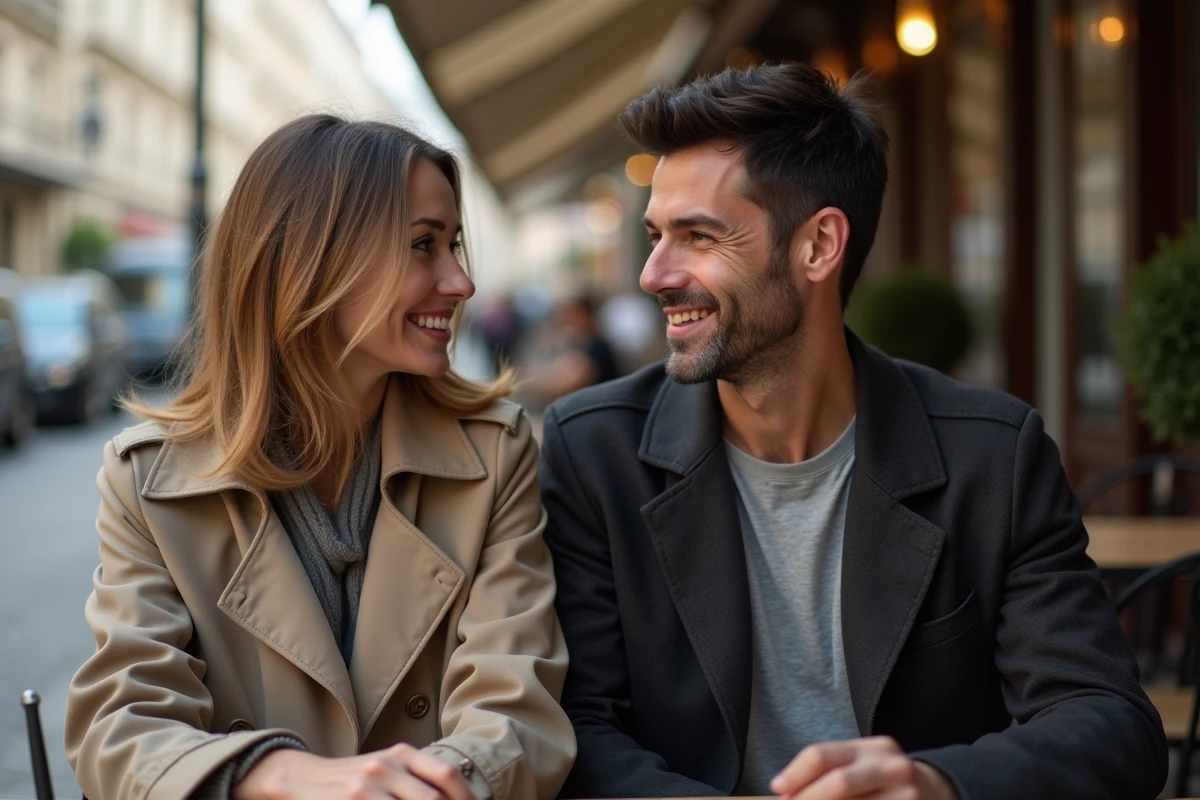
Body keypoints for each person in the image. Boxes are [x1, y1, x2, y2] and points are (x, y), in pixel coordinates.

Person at [540, 64, 1166, 800]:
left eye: (698, 236)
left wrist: (937, 783)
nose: (653, 274)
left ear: (818, 245)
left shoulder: (993, 456)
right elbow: (577, 727)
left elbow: (1109, 720)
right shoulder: (594, 451)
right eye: (655, 235)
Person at [65, 115, 575, 800]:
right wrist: (281, 774)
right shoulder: (148, 481)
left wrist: (422, 786)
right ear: (312, 263)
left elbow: (515, 709)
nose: (461, 282)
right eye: (423, 245)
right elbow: (123, 725)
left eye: (453, 245)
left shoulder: (495, 454)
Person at [526, 294, 621, 405]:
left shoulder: (598, 347)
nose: (568, 320)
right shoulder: (579, 344)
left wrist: (526, 384)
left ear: (587, 316)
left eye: (574, 314)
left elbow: (569, 383)